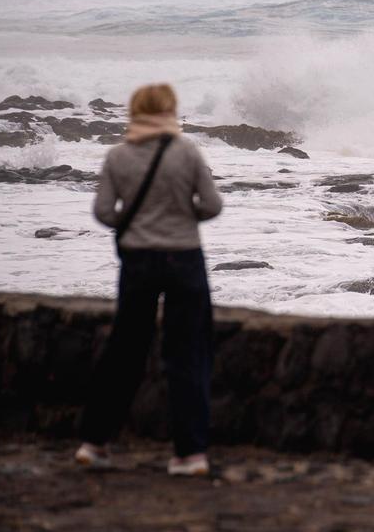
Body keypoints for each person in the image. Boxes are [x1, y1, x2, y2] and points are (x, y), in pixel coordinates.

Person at [75, 83, 223, 476]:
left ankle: (94, 443)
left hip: (138, 261)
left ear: (136, 111)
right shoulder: (187, 152)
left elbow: (104, 212)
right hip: (184, 259)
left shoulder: (118, 156)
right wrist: (181, 214)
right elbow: (211, 205)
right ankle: (190, 455)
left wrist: (135, 222)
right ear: (170, 111)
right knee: (187, 353)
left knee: (124, 350)